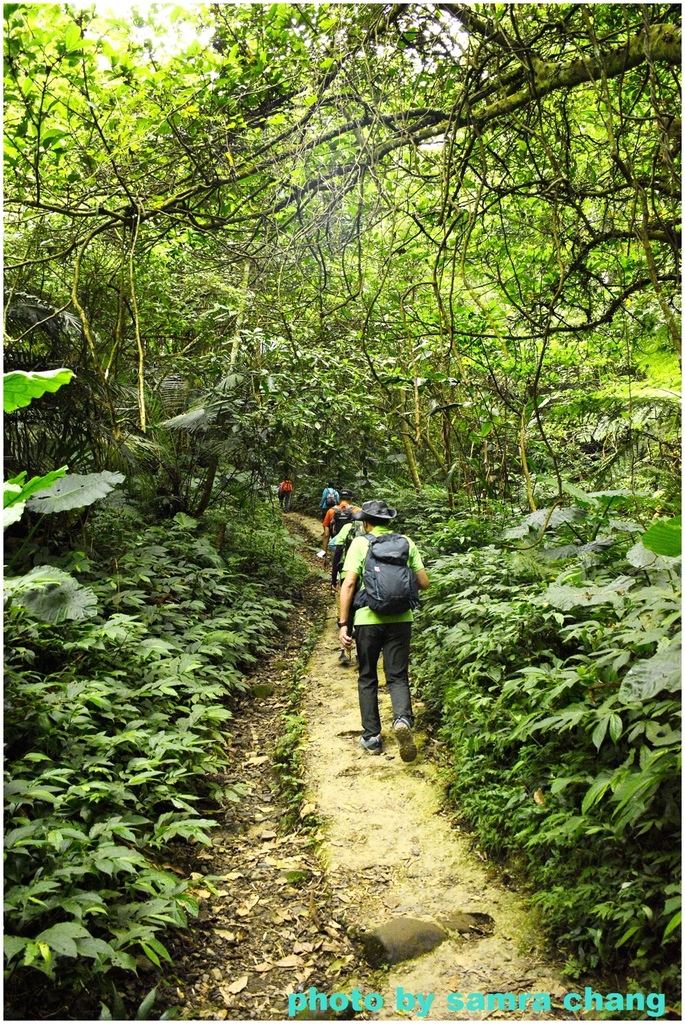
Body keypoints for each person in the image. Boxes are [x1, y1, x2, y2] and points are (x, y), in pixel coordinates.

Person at [337, 499, 429, 762]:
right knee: (397, 676)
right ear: (388, 521)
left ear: (366, 522)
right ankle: (402, 720)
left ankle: (372, 737)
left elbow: (349, 584)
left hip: (368, 619)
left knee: (367, 676)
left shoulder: (361, 543)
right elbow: (424, 582)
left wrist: (344, 623)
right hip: (401, 619)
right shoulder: (406, 543)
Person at [322, 489, 359, 591]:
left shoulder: (331, 511)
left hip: (336, 544)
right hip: (352, 544)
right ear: (351, 500)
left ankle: (337, 584)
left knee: (337, 563)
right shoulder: (357, 511)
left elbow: (326, 534)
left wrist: (324, 554)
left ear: (338, 499)